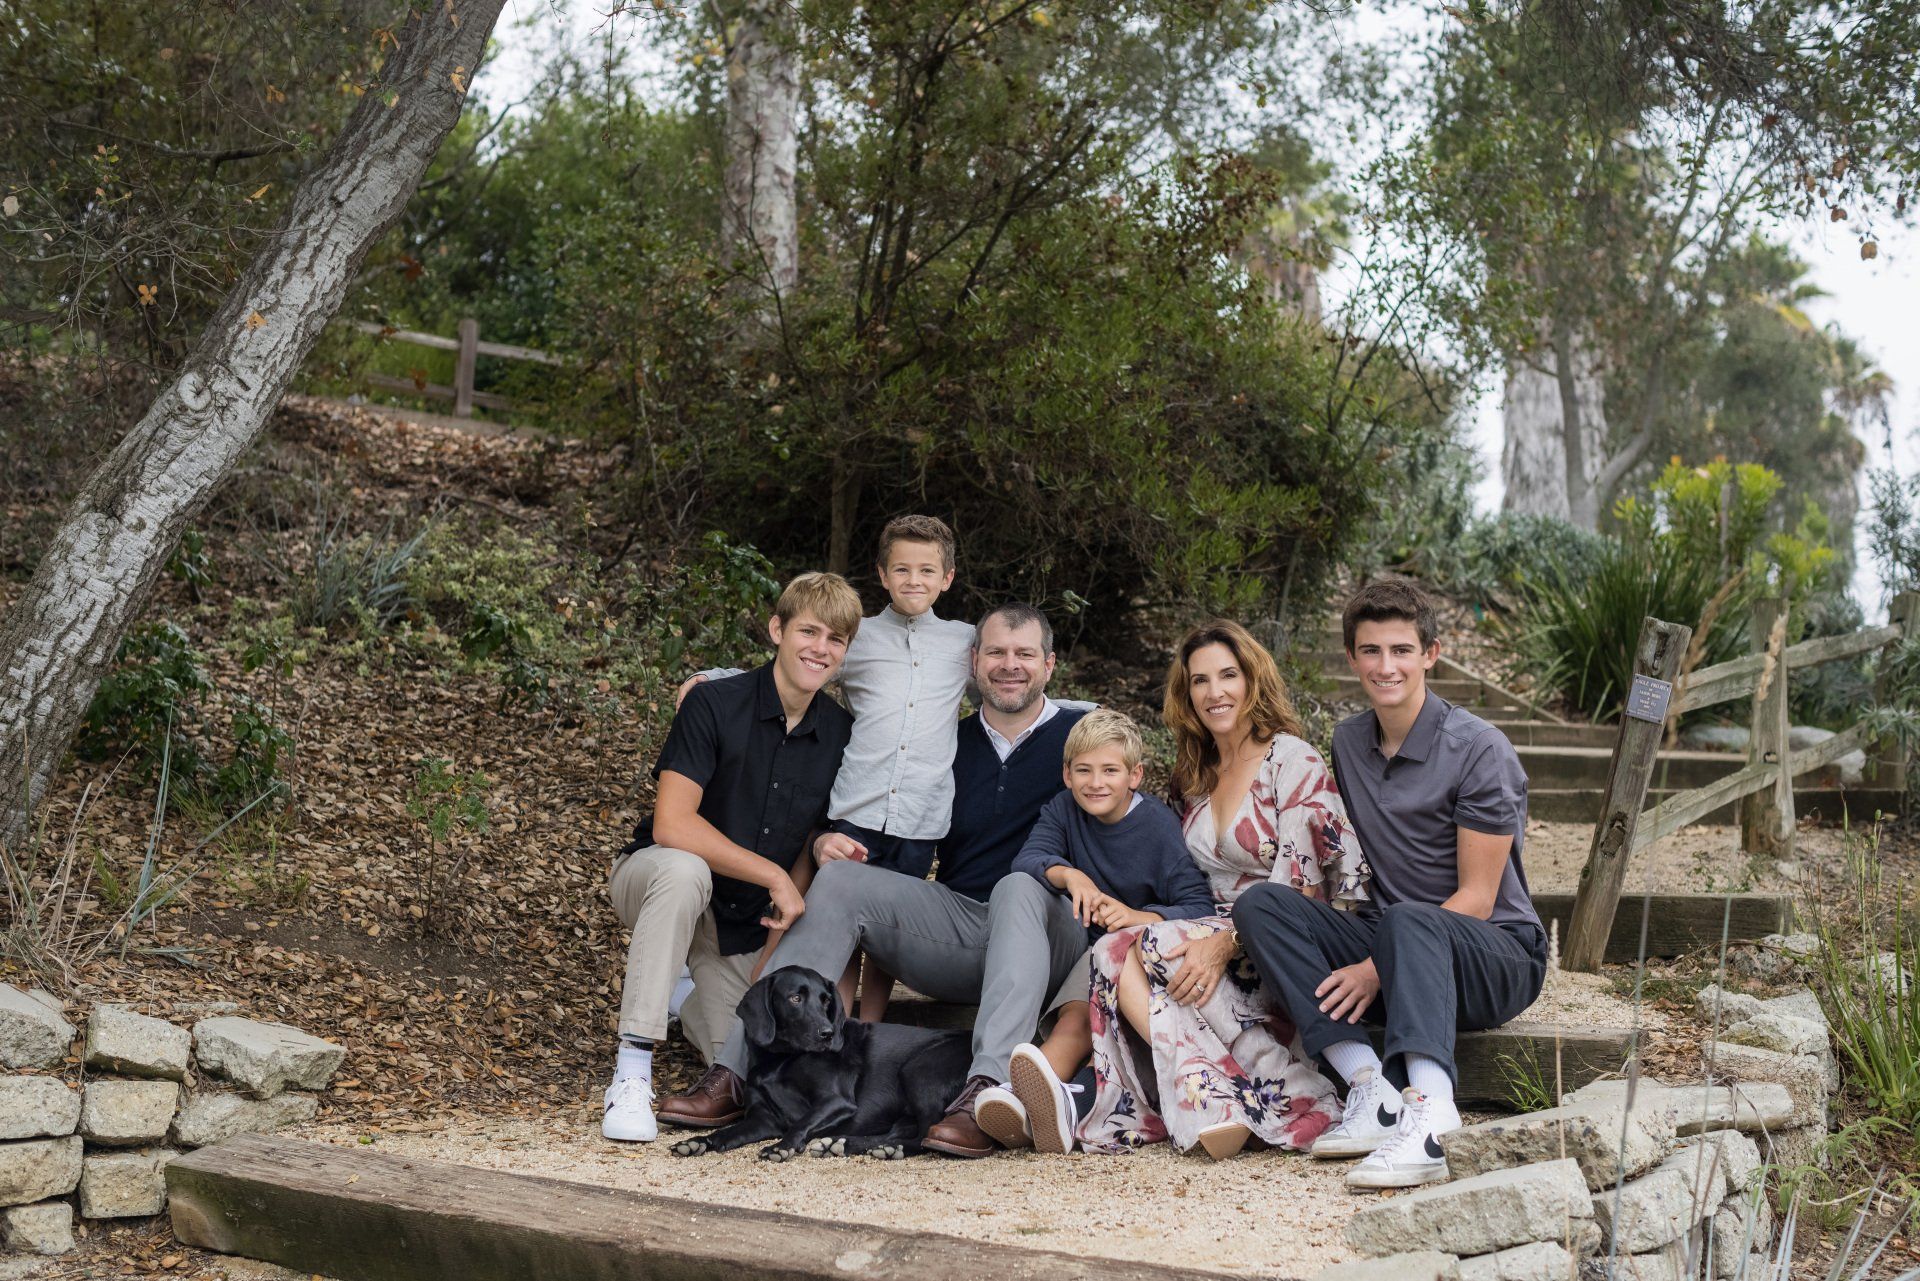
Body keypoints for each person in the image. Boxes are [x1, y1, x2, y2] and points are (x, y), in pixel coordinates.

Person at [657, 604, 1095, 1158]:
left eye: (1025, 654)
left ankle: (984, 1093)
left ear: (1050, 664)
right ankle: (735, 1071)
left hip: (1047, 932)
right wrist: (713, 681)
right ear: (973, 662)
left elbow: (1127, 773)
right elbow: (809, 679)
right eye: (997, 653)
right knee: (841, 879)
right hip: (962, 927)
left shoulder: (1081, 738)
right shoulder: (945, 744)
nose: (1010, 666)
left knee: (1018, 884)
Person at [1233, 579, 1546, 1190]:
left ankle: (1431, 1118)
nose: (1386, 666)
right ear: (1352, 658)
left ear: (1431, 653)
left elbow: (1478, 901)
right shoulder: (1350, 742)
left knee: (1410, 919)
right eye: (1371, 651)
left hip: (1494, 955)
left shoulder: (1481, 748)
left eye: (1402, 650)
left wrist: (1374, 966)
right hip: (1395, 940)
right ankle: (1371, 1092)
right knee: (1263, 906)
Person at [1074, 620, 1369, 1159]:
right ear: (1186, 695)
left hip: (1285, 936)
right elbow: (1189, 883)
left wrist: (1225, 940)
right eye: (1200, 681)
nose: (1215, 692)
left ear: (1253, 681)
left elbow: (1304, 888)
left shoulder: (1291, 759)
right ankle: (1218, 1103)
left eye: (1228, 676)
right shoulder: (1194, 775)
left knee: (1157, 946)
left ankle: (1303, 1097)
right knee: (1110, 950)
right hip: (1209, 933)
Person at [680, 514, 976, 1022]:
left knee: (889, 934)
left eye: (927, 571)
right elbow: (796, 666)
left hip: (920, 816)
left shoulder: (963, 643)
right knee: (840, 925)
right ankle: (829, 1026)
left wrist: (1082, 710)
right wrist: (714, 676)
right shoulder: (857, 638)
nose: (914, 581)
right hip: (857, 806)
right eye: (901, 570)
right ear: (882, 575)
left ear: (947, 578)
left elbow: (1009, 680)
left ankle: (868, 1031)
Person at [600, 572, 861, 1143]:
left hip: (737, 925)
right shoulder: (714, 703)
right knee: (683, 867)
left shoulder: (840, 732)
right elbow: (672, 824)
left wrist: (772, 951)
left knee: (740, 1062)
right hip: (655, 878)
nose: (819, 648)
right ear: (777, 629)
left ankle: (687, 995)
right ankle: (633, 1067)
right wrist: (771, 875)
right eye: (808, 631)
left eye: (835, 639)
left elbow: (804, 846)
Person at [980, 709, 1215, 1154]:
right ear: (1067, 775)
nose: (1096, 782)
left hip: (1136, 960)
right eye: (1084, 771)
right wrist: (1073, 877)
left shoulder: (1158, 828)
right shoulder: (1064, 808)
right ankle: (1023, 1104)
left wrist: (1133, 915)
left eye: (1110, 770)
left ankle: (1027, 1101)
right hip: (1088, 956)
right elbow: (1029, 859)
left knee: (1075, 1024)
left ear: (1135, 775)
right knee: (1072, 1020)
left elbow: (1199, 907)